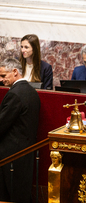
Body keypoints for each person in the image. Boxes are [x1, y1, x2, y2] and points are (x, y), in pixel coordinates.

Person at [0, 58, 41, 203]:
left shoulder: (14, 94)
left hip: (10, 155)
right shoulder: (32, 92)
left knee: (8, 196)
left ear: (15, 72)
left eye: (4, 76)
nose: (1, 80)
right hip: (26, 152)